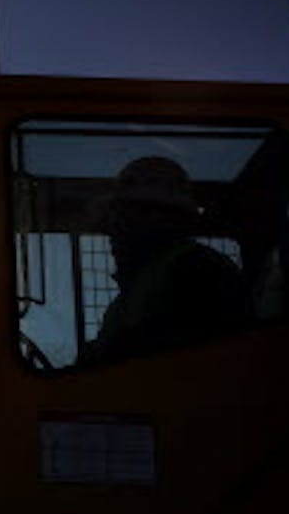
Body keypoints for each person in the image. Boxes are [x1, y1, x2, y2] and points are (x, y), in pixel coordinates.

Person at [82, 156, 249, 365]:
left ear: (161, 216)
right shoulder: (132, 293)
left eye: (124, 215)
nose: (113, 231)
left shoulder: (199, 270)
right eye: (116, 217)